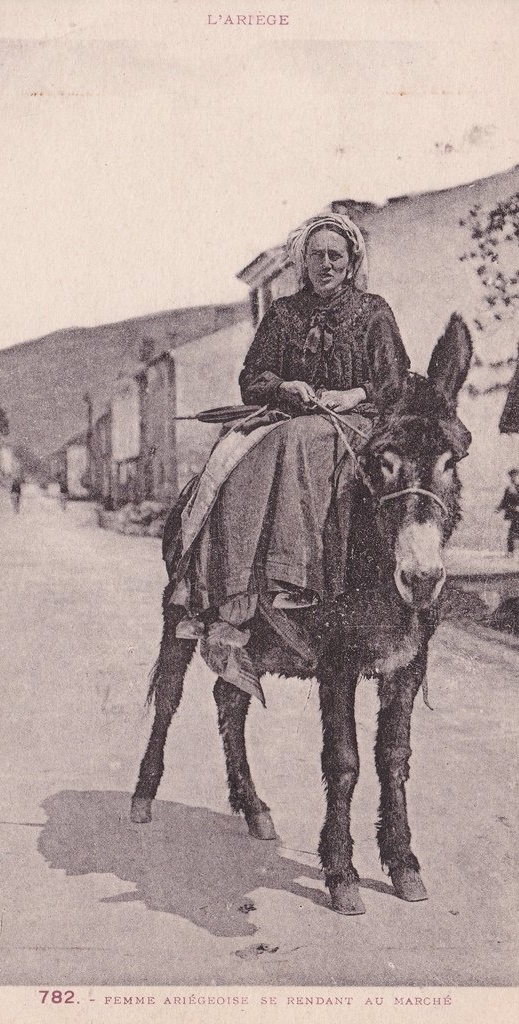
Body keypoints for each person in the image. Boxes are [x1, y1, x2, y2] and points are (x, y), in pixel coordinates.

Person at [170, 213, 410, 697]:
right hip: (291, 418)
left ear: (351, 261)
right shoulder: (282, 314)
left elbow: (395, 381)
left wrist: (353, 392)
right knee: (231, 460)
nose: (325, 264)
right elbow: (252, 379)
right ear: (303, 261)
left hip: (359, 422)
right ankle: (225, 593)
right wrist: (284, 386)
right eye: (316, 255)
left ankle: (317, 579)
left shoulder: (374, 312)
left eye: (334, 256)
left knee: (308, 445)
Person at [498, 468, 519, 555]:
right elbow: (504, 501)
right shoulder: (509, 488)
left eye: (515, 476)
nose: (513, 478)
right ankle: (510, 552)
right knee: (511, 534)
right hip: (511, 514)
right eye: (511, 476)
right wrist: (499, 508)